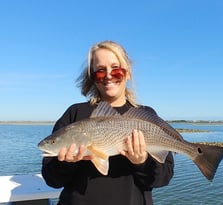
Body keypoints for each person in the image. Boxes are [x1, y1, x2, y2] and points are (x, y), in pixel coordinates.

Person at [42, 40, 174, 205]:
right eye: (100, 71)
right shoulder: (74, 113)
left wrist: (142, 162)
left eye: (116, 69)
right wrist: (65, 163)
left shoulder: (146, 115)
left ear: (127, 72)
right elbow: (51, 180)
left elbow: (164, 177)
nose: (108, 75)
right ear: (92, 76)